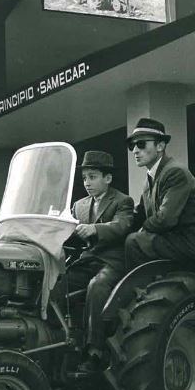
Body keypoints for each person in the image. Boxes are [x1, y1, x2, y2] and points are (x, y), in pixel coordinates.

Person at [55, 150, 134, 372]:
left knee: (97, 286)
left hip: (112, 262)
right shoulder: (79, 206)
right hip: (87, 262)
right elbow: (67, 232)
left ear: (107, 178)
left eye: (92, 177)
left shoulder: (122, 201)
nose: (87, 183)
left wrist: (94, 229)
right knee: (57, 285)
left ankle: (95, 350)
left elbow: (122, 226)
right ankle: (62, 341)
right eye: (84, 178)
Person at [124, 118, 195, 270]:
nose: (135, 150)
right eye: (132, 145)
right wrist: (117, 226)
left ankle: (139, 290)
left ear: (160, 146)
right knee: (126, 238)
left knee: (134, 241)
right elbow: (141, 214)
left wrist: (141, 230)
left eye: (141, 144)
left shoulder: (175, 172)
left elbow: (165, 219)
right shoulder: (151, 177)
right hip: (177, 240)